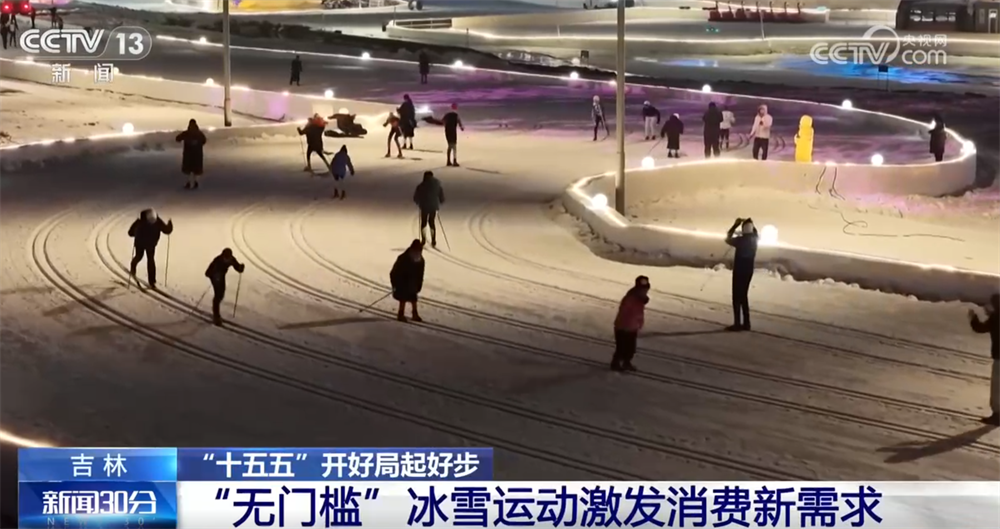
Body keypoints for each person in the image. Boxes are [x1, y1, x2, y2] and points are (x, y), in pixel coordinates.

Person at [969, 295, 1000, 425]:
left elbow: (980, 328)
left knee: (997, 388)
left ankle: (997, 414)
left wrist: (973, 318)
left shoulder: (996, 317)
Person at [610, 276, 650, 372]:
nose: (645, 292)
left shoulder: (640, 299)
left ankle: (626, 362)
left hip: (632, 327)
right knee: (621, 348)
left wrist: (639, 323)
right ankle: (616, 363)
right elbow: (624, 313)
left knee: (631, 349)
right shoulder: (630, 298)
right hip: (623, 327)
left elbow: (639, 313)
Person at [725, 217, 758, 331]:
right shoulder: (754, 239)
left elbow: (728, 238)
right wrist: (750, 223)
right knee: (743, 296)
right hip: (748, 271)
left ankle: (737, 323)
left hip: (739, 271)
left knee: (736, 297)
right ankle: (746, 323)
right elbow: (755, 232)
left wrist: (735, 225)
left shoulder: (740, 240)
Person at [127, 209, 174, 289]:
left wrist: (170, 225)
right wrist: (135, 231)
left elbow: (166, 230)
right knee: (139, 256)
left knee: (151, 260)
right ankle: (133, 265)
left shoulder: (157, 221)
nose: (152, 221)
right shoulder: (140, 221)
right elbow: (130, 233)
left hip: (151, 244)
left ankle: (152, 281)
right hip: (140, 244)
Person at [205, 248, 245, 327]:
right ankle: (216, 316)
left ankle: (216, 313)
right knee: (218, 295)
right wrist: (214, 276)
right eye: (226, 258)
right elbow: (208, 272)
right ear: (223, 256)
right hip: (214, 276)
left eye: (228, 258)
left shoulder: (231, 259)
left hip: (221, 276)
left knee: (221, 294)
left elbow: (237, 266)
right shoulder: (217, 261)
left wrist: (240, 268)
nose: (227, 260)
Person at [390, 240, 425, 322]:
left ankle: (414, 313)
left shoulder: (421, 261)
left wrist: (419, 284)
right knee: (403, 298)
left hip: (413, 283)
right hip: (403, 282)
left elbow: (420, 274)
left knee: (413, 298)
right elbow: (394, 272)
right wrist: (395, 283)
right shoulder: (403, 258)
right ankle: (400, 314)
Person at [413, 171, 445, 247]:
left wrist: (418, 201)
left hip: (424, 206)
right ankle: (433, 240)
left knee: (423, 223)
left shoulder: (421, 186)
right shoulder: (437, 185)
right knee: (431, 222)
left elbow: (416, 197)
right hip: (433, 207)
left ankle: (423, 239)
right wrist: (441, 200)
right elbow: (441, 195)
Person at [176, 119, 207, 189]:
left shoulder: (186, 133)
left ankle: (188, 183)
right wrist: (197, 144)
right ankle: (196, 182)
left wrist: (187, 141)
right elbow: (204, 140)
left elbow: (177, 138)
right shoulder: (199, 133)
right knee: (196, 170)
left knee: (188, 170)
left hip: (188, 155)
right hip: (197, 155)